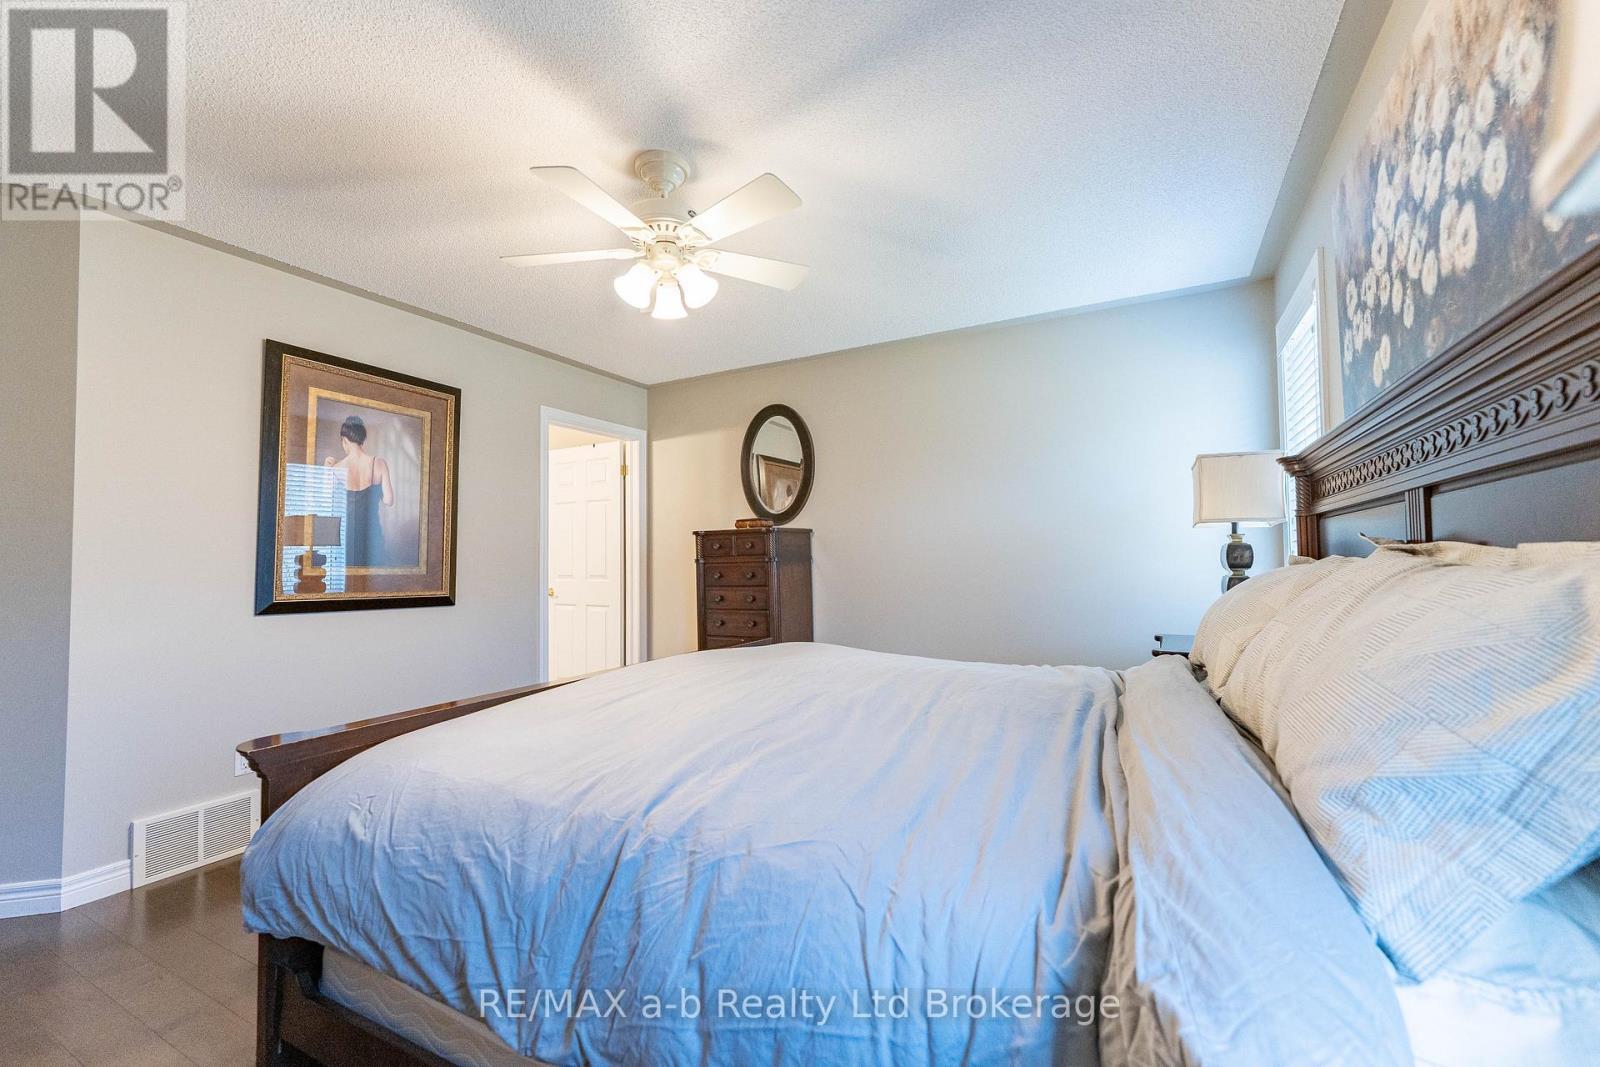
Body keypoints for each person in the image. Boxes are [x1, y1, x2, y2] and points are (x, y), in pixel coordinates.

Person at [324, 414, 393, 566]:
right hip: (372, 535)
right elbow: (389, 500)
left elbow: (326, 501)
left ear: (345, 440)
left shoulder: (336, 468)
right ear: (362, 438)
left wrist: (327, 471)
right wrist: (375, 493)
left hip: (345, 537)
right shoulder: (379, 463)